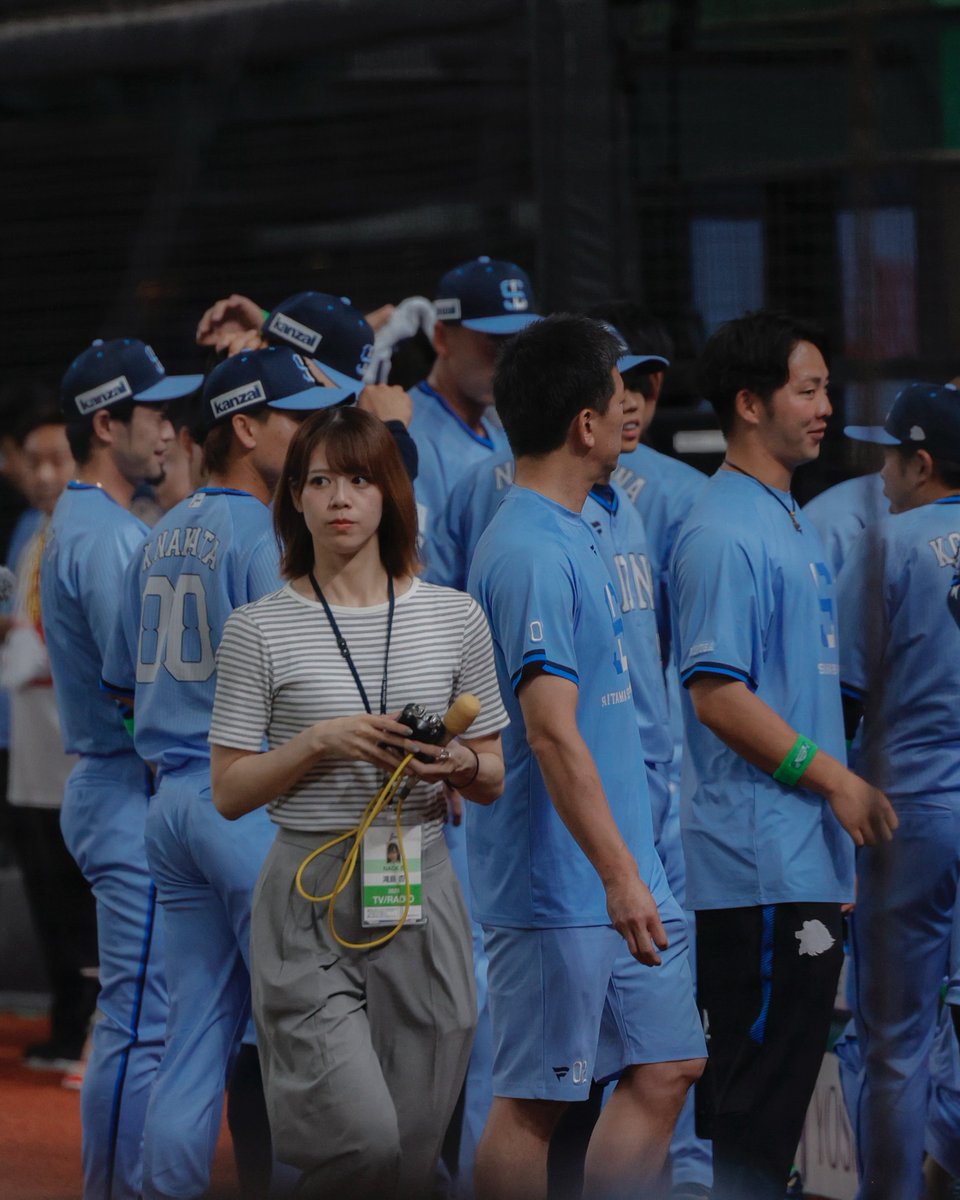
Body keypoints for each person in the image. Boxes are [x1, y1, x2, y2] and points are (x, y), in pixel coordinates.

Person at [209, 405, 508, 1200]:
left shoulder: (453, 616)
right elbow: (229, 791)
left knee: (407, 1163)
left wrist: (451, 763)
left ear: (390, 496)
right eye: (319, 481)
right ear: (295, 501)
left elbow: (494, 773)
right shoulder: (258, 629)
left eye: (360, 479)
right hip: (306, 884)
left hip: (419, 879)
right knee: (361, 1149)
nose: (340, 497)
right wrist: (318, 742)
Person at [101, 345, 357, 1200]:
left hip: (171, 802)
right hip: (246, 804)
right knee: (303, 1032)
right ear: (245, 427)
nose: (315, 436)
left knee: (192, 1038)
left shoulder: (158, 534)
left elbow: (118, 686)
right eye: (295, 419)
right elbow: (309, 683)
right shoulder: (268, 533)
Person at [467, 314, 705, 1200]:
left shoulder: (589, 528)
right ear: (584, 424)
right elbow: (550, 731)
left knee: (671, 1064)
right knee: (533, 1105)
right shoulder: (527, 546)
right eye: (618, 399)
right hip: (562, 882)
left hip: (624, 861)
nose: (631, 413)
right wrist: (616, 874)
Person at [669, 310, 899, 1200]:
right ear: (748, 403)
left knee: (775, 1111)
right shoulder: (724, 530)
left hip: (800, 862)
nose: (826, 408)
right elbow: (717, 695)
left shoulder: (787, 519)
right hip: (756, 870)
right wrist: (838, 778)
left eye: (827, 389)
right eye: (807, 389)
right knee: (754, 1115)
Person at [41, 336, 202, 1200]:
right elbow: (137, 691)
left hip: (120, 783)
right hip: (124, 782)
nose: (171, 431)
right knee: (142, 1021)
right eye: (156, 414)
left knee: (154, 1018)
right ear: (108, 422)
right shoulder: (103, 536)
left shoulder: (104, 522)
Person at [837, 382, 960, 1200]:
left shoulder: (893, 544)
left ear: (921, 460)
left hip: (908, 808)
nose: (879, 471)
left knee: (896, 1040)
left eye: (888, 453)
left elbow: (841, 692)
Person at [0, 406, 97, 1075]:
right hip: (31, 740)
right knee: (46, 891)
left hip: (79, 745)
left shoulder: (95, 534)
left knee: (83, 892)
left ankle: (92, 1023)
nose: (42, 474)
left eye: (56, 459)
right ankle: (65, 1020)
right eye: (32, 461)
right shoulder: (31, 533)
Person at [407, 255, 540, 565]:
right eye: (496, 340)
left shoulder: (499, 427)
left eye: (521, 339)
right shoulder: (411, 432)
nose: (511, 356)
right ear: (441, 338)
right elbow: (419, 571)